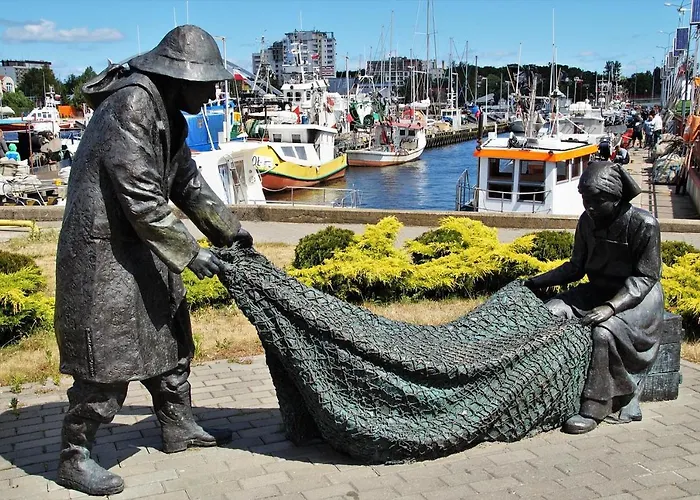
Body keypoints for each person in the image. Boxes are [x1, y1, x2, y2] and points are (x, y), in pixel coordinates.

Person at [54, 25, 253, 496]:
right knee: (107, 363)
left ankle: (178, 425)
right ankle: (74, 456)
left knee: (170, 340)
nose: (212, 93)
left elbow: (187, 184)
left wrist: (231, 233)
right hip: (103, 255)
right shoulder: (131, 105)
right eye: (207, 83)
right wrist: (191, 253)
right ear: (180, 77)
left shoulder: (170, 115)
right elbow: (141, 196)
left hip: (142, 247)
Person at [525, 161, 663, 435]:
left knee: (603, 332)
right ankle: (546, 387)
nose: (589, 207)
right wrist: (536, 281)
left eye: (597, 201)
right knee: (551, 312)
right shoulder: (587, 222)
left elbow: (645, 278)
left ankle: (595, 406)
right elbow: (575, 267)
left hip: (639, 298)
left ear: (616, 198)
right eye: (585, 199)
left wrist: (610, 307)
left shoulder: (644, 224)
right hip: (599, 288)